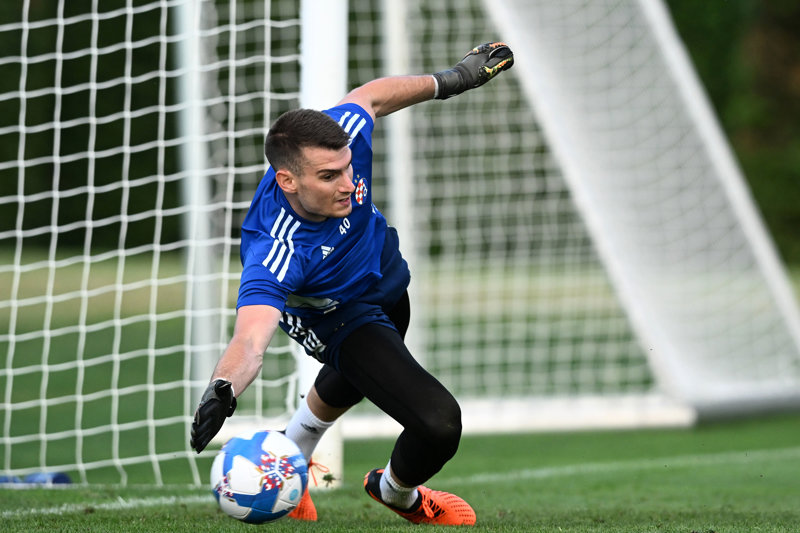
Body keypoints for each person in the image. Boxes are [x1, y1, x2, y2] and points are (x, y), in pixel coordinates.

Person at [190, 42, 514, 526]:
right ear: (288, 181)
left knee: (366, 368)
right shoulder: (276, 248)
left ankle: (293, 452)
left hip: (385, 276)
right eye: (329, 176)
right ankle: (397, 493)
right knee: (438, 423)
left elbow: (370, 97)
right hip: (337, 315)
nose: (347, 183)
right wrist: (222, 388)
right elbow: (250, 339)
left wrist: (454, 79)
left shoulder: (342, 140)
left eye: (347, 168)